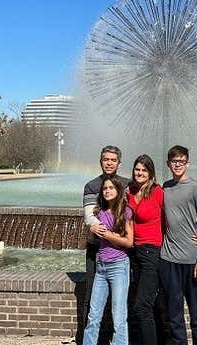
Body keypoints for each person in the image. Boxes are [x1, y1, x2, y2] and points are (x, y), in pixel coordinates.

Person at [159, 145, 197, 345]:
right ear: (168, 164)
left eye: (181, 161)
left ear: (187, 163)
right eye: (174, 161)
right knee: (174, 316)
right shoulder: (165, 187)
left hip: (192, 262)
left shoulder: (196, 188)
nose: (178, 165)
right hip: (169, 260)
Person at [82, 146, 131, 342]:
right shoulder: (92, 186)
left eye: (113, 159)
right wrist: (97, 228)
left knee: (120, 312)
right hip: (97, 252)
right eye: (105, 159)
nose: (109, 162)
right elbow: (89, 218)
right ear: (100, 161)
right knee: (91, 304)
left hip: (119, 256)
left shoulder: (128, 185)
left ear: (119, 163)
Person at [127, 155, 164, 345]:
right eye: (137, 169)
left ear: (150, 173)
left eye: (144, 170)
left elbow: (171, 217)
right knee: (144, 305)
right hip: (135, 253)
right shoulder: (130, 192)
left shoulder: (157, 192)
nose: (139, 173)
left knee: (142, 305)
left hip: (152, 252)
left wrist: (195, 230)